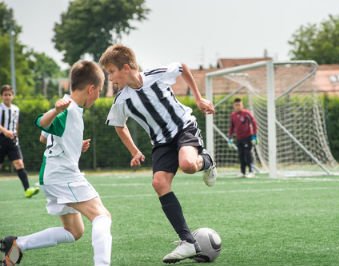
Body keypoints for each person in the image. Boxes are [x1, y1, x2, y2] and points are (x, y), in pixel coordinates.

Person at [99, 44, 217, 264]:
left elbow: (182, 67)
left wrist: (200, 99)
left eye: (111, 72)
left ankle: (207, 161)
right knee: (159, 183)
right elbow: (118, 125)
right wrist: (134, 150)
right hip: (161, 143)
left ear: (125, 68)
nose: (110, 78)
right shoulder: (121, 100)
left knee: (189, 165)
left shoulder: (157, 76)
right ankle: (188, 242)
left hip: (183, 128)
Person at [0, 61, 112, 266]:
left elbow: (45, 138)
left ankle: (17, 245)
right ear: (91, 88)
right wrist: (55, 111)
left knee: (74, 232)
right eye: (100, 90)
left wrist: (76, 145)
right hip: (63, 175)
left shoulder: (69, 106)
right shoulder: (67, 109)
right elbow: (41, 122)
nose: (99, 96)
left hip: (52, 175)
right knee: (102, 216)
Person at [0, 85, 39, 198]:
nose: (7, 97)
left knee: (19, 163)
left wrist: (15, 134)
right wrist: (5, 131)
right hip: (1, 140)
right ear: (1, 96)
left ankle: (27, 190)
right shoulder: (0, 108)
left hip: (12, 141)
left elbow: (16, 125)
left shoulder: (16, 109)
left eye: (9, 94)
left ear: (13, 96)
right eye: (5, 94)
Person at [228, 98, 258, 178]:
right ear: (234, 106)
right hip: (239, 138)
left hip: (248, 137)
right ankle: (242, 172)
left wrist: (254, 136)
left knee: (247, 154)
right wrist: (230, 138)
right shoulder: (233, 115)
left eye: (239, 105)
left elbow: (254, 124)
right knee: (241, 155)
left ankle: (252, 171)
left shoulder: (247, 113)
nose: (238, 107)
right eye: (236, 105)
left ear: (242, 105)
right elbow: (231, 127)